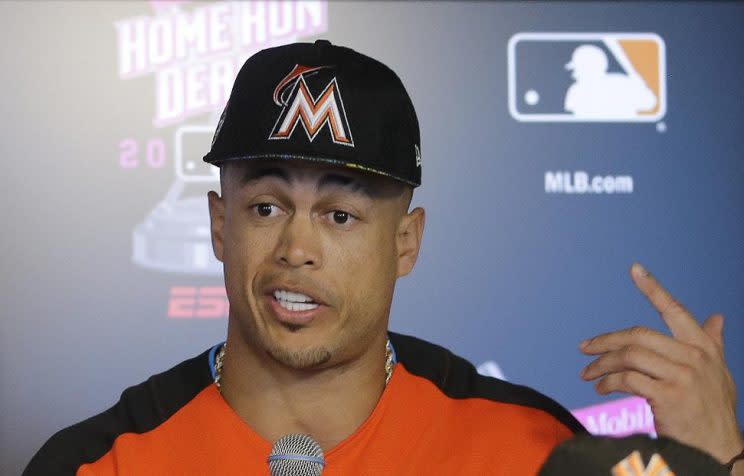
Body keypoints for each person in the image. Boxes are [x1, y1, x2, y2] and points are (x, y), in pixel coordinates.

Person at [24, 40, 743, 475]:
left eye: (340, 215)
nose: (297, 250)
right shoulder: (95, 464)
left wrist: (717, 463)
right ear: (220, 226)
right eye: (266, 207)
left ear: (406, 241)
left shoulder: (537, 452)